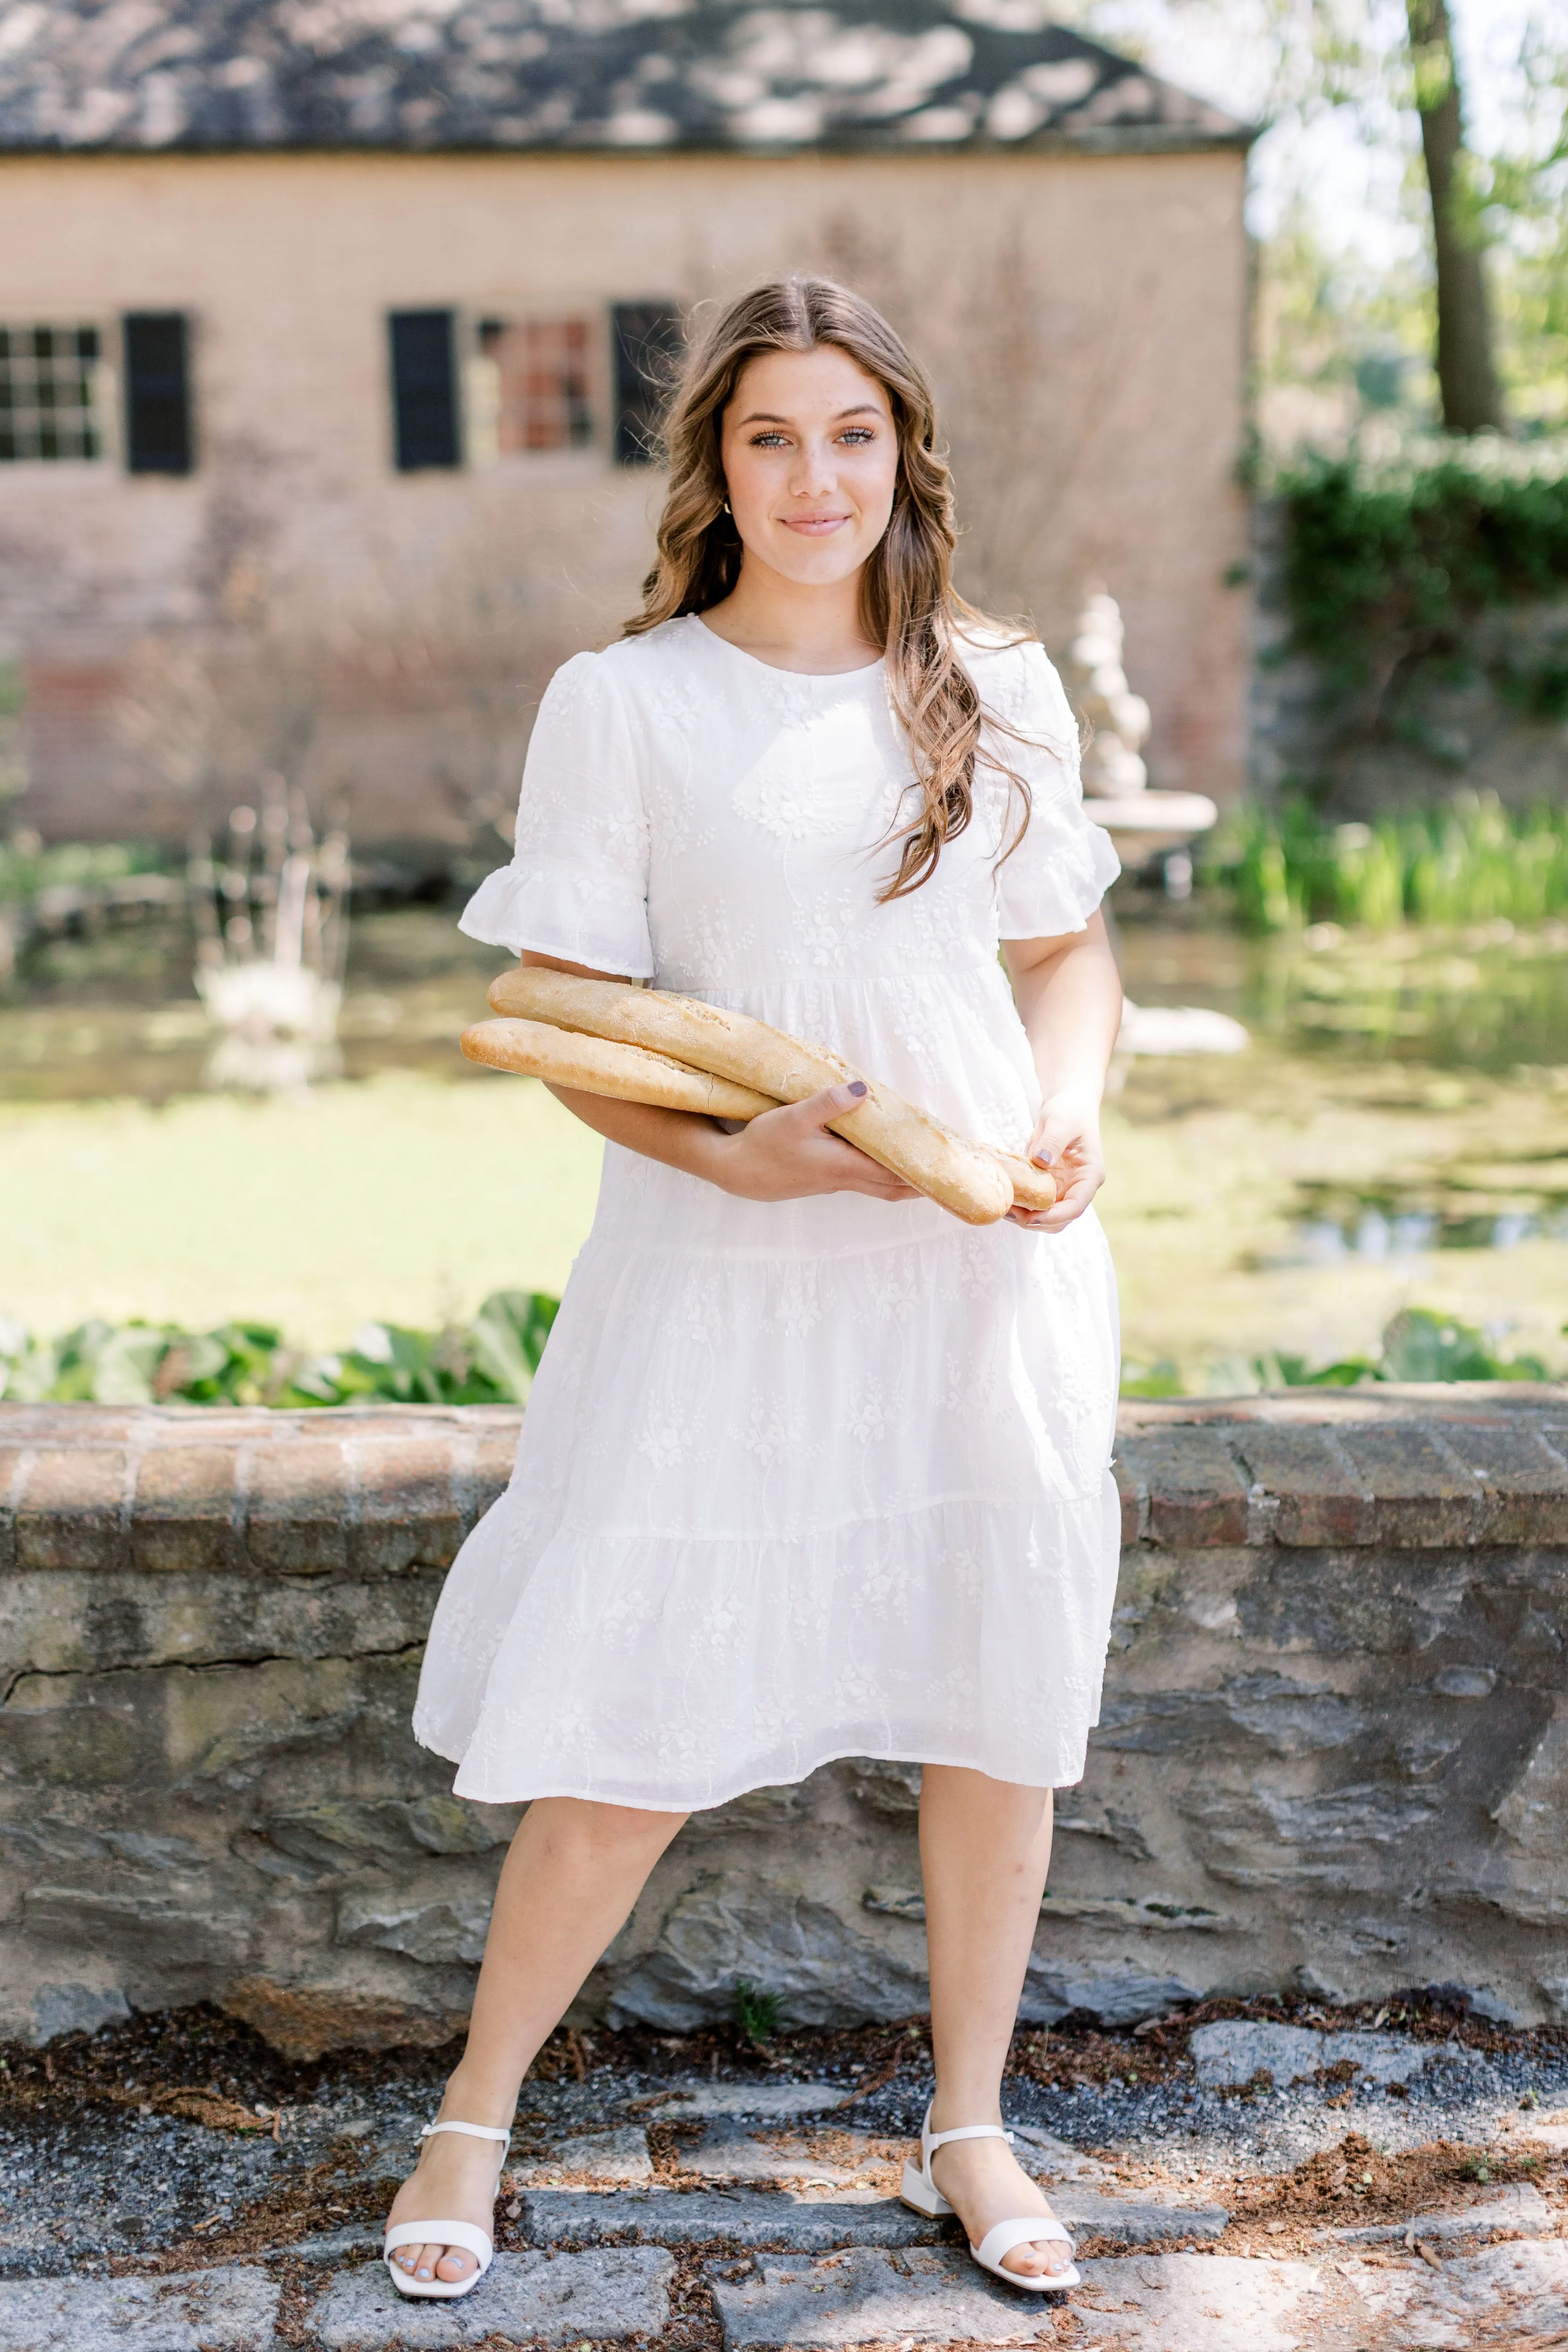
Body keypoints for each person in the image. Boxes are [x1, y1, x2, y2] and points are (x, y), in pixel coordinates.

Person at [385, 275, 1124, 2304]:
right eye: (771, 437)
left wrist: (1062, 1120)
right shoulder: (622, 700)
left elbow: (1062, 955)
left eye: (854, 435)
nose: (816, 478)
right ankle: (474, 2108)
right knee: (630, 1705)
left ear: (907, 456)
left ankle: (967, 2118)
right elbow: (562, 1018)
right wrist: (730, 1152)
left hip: (976, 1261)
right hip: (722, 1269)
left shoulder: (997, 684)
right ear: (717, 462)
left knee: (999, 1707)